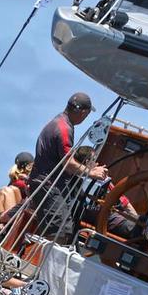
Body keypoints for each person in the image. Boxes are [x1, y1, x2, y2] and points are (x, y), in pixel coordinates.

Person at [28, 92, 108, 236]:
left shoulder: (58, 122)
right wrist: (92, 173)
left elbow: (62, 159)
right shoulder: (64, 129)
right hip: (49, 184)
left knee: (61, 228)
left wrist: (89, 168)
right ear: (83, 113)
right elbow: (67, 162)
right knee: (60, 231)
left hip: (46, 183)